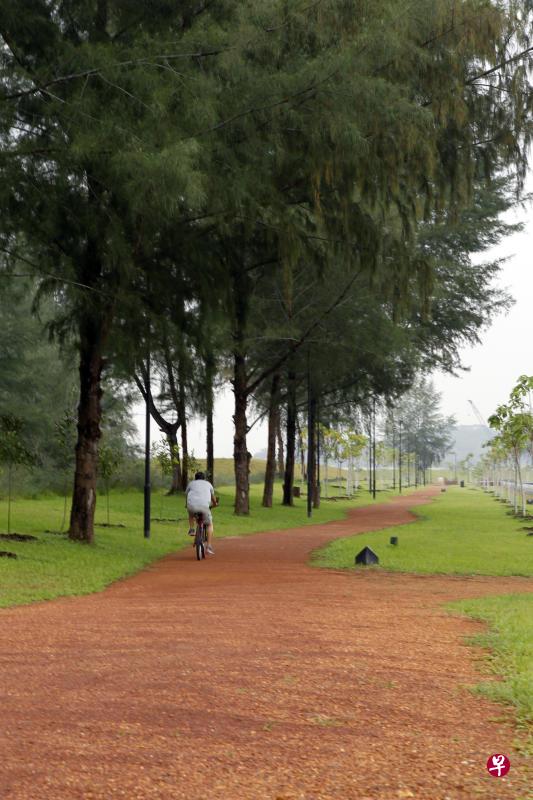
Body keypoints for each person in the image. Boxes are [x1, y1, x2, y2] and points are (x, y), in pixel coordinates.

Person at [185, 471, 217, 555]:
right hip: (204, 507)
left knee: (191, 514)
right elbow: (213, 498)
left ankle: (192, 529)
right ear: (204, 478)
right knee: (209, 524)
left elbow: (187, 495)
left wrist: (187, 505)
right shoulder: (208, 484)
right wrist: (215, 504)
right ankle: (209, 546)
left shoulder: (191, 483)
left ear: (195, 478)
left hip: (191, 505)